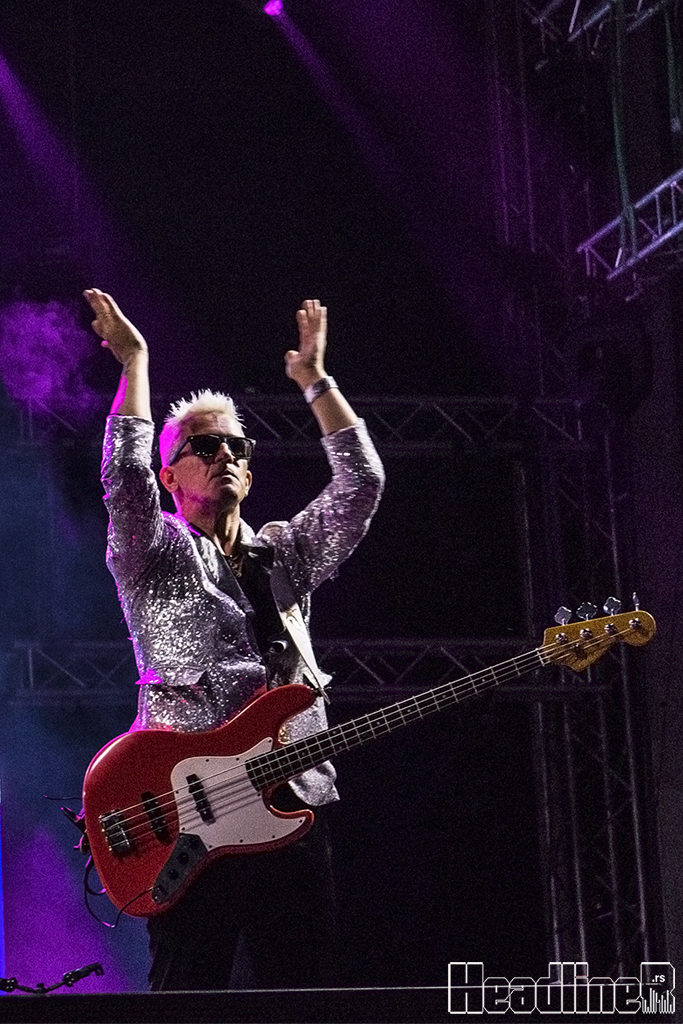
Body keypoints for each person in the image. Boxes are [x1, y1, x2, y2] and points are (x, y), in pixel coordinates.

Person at [83, 288, 385, 991]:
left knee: (304, 992)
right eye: (204, 445)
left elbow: (362, 484)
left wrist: (315, 381)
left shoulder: (286, 555)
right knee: (188, 990)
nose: (223, 453)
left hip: (295, 803)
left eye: (235, 447)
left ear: (248, 473)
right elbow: (123, 476)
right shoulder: (153, 554)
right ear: (170, 476)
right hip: (189, 815)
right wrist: (135, 362)